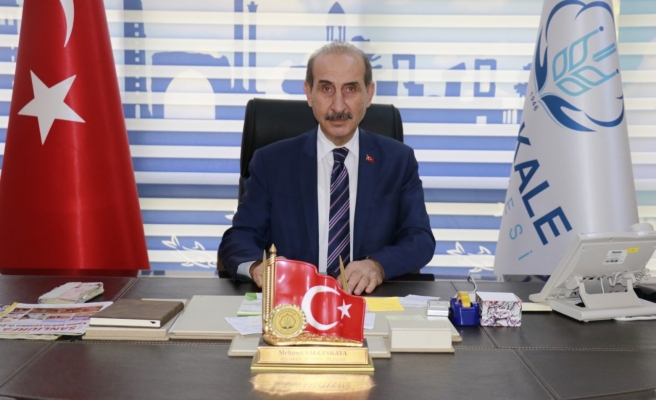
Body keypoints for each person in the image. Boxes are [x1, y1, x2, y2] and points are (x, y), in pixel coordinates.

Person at [218, 41, 435, 295]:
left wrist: (378, 265)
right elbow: (239, 238)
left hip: (367, 302)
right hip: (293, 303)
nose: (338, 106)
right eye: (326, 89)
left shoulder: (398, 161)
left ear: (369, 93)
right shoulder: (272, 162)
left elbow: (419, 239)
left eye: (351, 89)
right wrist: (258, 266)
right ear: (309, 93)